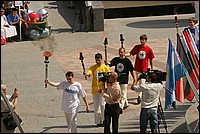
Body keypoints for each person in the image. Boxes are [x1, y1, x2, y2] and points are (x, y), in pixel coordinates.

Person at [126, 34, 155, 104]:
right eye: (141, 40)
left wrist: (152, 68)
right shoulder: (137, 47)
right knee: (137, 82)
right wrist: (125, 54)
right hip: (137, 68)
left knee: (142, 82)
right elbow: (131, 53)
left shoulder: (148, 49)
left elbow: (151, 59)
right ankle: (140, 94)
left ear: (146, 40)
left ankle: (139, 96)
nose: (141, 41)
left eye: (143, 40)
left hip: (144, 68)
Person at [84, 53, 110, 127]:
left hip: (102, 89)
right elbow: (90, 72)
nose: (97, 61)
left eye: (99, 60)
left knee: (102, 105)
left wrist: (108, 88)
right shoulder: (93, 67)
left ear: (101, 59)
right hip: (95, 89)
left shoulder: (105, 68)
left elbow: (108, 77)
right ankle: (98, 121)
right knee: (96, 106)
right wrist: (87, 74)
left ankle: (105, 120)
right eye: (96, 60)